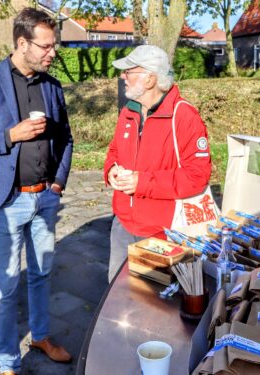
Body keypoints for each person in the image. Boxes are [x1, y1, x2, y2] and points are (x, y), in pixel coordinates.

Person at [0, 8, 73, 375]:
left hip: (46, 197)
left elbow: (66, 137)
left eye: (55, 46)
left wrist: (58, 182)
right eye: (46, 46)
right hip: (7, 200)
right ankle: (7, 361)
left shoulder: (51, 86)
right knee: (6, 285)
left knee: (41, 274)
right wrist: (10, 136)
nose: (53, 53)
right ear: (22, 43)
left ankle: (40, 335)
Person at [104, 45, 212, 282]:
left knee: (152, 306)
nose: (123, 77)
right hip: (122, 224)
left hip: (162, 233)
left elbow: (197, 176)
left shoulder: (184, 116)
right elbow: (114, 150)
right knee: (116, 302)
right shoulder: (128, 113)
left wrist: (142, 183)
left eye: (128, 71)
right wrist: (111, 169)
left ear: (150, 78)